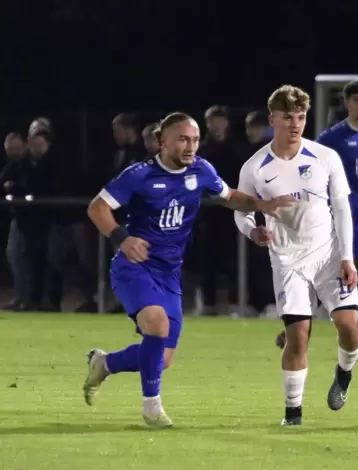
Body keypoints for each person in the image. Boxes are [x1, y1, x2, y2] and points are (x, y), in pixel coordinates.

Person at [82, 112, 290, 427]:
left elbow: (230, 196)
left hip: (169, 274)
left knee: (161, 359)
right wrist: (122, 239)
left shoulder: (201, 171)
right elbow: (97, 207)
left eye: (194, 139)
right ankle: (152, 408)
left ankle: (105, 363)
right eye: (182, 139)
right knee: (157, 323)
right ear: (161, 142)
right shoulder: (139, 175)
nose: (191, 146)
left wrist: (261, 206)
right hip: (134, 266)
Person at [234, 85, 358, 426]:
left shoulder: (325, 157)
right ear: (272, 118)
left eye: (301, 117)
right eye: (288, 117)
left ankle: (344, 375)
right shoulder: (255, 167)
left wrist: (347, 257)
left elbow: (342, 208)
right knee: (297, 336)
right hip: (287, 260)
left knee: (351, 329)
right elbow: (241, 210)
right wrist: (253, 230)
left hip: (329, 254)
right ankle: (293, 415)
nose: (295, 124)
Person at [273, 80, 358, 356]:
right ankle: (293, 329)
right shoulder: (332, 137)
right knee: (325, 277)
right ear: (347, 103)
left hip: (355, 220)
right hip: (330, 219)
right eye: (356, 99)